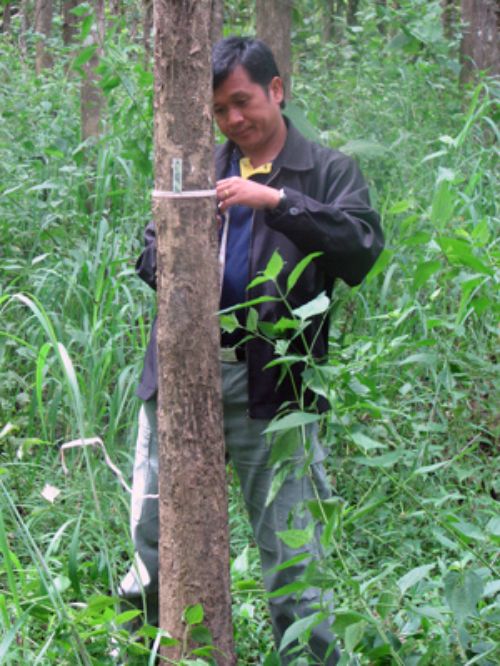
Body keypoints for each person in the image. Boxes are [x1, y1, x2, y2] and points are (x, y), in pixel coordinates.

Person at [119, 36, 383, 664]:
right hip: (184, 380)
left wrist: (279, 202)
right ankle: (142, 648)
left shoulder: (325, 170)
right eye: (220, 110)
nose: (234, 120)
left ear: (276, 90)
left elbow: (360, 249)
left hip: (278, 389)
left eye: (243, 102)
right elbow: (148, 256)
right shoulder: (197, 163)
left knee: (295, 551)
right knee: (153, 537)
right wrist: (184, 242)